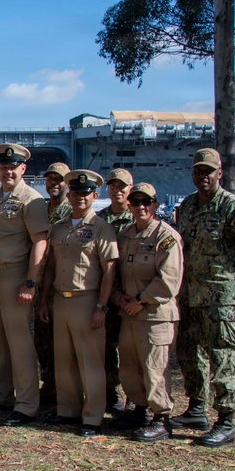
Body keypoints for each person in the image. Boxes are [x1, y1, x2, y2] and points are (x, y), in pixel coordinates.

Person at [171, 148, 235, 447]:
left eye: (208, 171)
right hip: (190, 296)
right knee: (190, 355)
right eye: (198, 170)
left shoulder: (233, 208)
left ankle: (226, 420)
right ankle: (196, 409)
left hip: (222, 299)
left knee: (222, 357)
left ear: (219, 173)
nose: (203, 176)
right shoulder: (186, 206)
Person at [0, 144, 49, 426]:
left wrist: (30, 282)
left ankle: (27, 403)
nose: (8, 171)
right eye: (3, 167)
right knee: (0, 342)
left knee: (19, 343)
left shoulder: (31, 200)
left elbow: (40, 242)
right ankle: (0, 394)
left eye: (13, 166)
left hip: (17, 276)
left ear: (23, 169)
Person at [37, 170, 119, 437]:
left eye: (86, 194)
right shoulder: (59, 228)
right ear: (69, 195)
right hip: (61, 300)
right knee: (65, 361)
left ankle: (92, 416)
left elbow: (109, 271)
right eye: (76, 193)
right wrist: (43, 301)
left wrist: (102, 306)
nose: (80, 198)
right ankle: (68, 410)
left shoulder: (102, 229)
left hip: (88, 301)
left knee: (90, 362)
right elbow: (50, 266)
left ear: (95, 196)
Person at [110, 184, 184, 442]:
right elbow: (114, 273)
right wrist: (119, 298)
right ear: (128, 205)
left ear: (155, 205)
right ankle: (139, 410)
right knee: (129, 367)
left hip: (155, 316)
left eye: (146, 202)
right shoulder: (126, 235)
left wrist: (141, 301)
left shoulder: (166, 237)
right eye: (135, 202)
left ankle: (161, 418)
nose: (140, 206)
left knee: (154, 368)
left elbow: (169, 280)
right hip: (128, 314)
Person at [33, 162, 71, 405]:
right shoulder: (40, 209)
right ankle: (49, 383)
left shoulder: (72, 210)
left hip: (61, 284)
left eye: (59, 180)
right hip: (38, 284)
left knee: (63, 340)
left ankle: (66, 389)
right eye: (50, 179)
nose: (54, 184)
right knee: (43, 338)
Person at [98, 168, 136, 411]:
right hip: (108, 290)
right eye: (113, 186)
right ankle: (111, 392)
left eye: (122, 186)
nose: (117, 190)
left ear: (130, 189)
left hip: (133, 292)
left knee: (132, 347)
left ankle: (135, 397)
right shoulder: (100, 219)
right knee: (107, 344)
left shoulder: (139, 217)